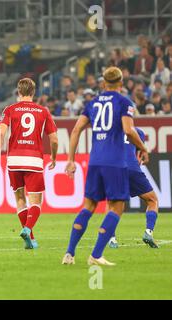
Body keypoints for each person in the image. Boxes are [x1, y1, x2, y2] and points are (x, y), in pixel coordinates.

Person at [62, 67, 149, 266]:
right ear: (121, 83)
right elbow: (129, 130)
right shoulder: (124, 102)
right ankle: (96, 255)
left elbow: (75, 130)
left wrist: (70, 159)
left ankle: (69, 253)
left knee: (89, 206)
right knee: (117, 207)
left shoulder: (92, 103)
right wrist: (143, 147)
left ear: (103, 84)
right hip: (114, 162)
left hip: (95, 161)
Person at [0, 78, 59, 250]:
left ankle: (30, 237)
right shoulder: (43, 111)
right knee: (36, 202)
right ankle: (28, 229)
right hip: (34, 160)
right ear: (33, 92)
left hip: (13, 160)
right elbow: (53, 139)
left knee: (20, 199)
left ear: (18, 91)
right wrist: (53, 157)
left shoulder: (10, 109)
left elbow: (0, 134)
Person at [109, 128, 159, 249]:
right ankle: (148, 232)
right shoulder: (138, 132)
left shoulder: (110, 130)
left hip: (114, 168)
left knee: (113, 205)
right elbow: (139, 157)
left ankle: (111, 239)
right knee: (152, 200)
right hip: (132, 168)